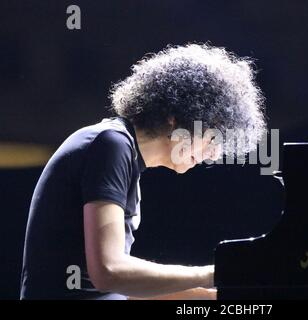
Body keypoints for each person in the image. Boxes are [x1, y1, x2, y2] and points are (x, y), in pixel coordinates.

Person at [20, 43, 266, 299]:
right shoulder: (110, 145)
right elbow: (108, 272)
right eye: (212, 137)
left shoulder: (123, 155)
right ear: (177, 117)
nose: (213, 153)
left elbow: (117, 288)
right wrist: (215, 273)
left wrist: (222, 295)